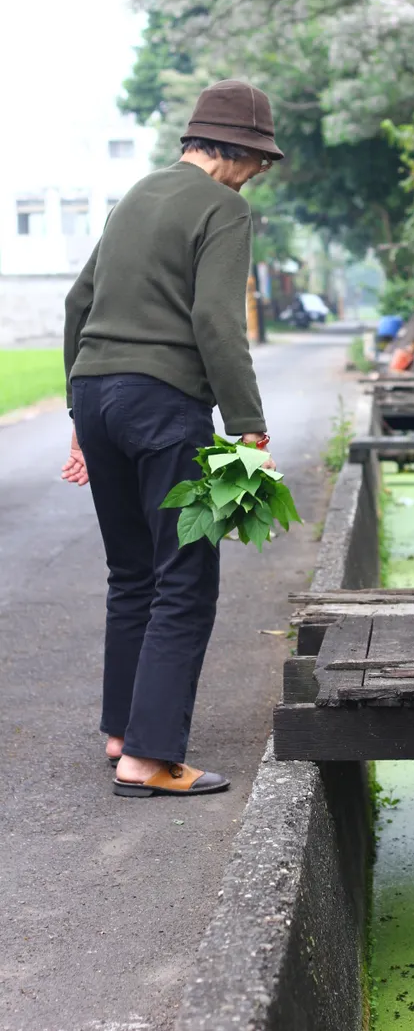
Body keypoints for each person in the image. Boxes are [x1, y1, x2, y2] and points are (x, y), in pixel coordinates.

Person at [62, 79, 284, 798]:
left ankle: (123, 730)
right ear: (235, 151)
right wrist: (247, 423)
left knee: (132, 574)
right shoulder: (224, 208)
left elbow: (78, 302)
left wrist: (77, 417)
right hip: (162, 404)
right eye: (260, 160)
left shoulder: (137, 195)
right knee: (185, 578)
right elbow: (217, 322)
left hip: (96, 393)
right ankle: (149, 759)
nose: (259, 174)